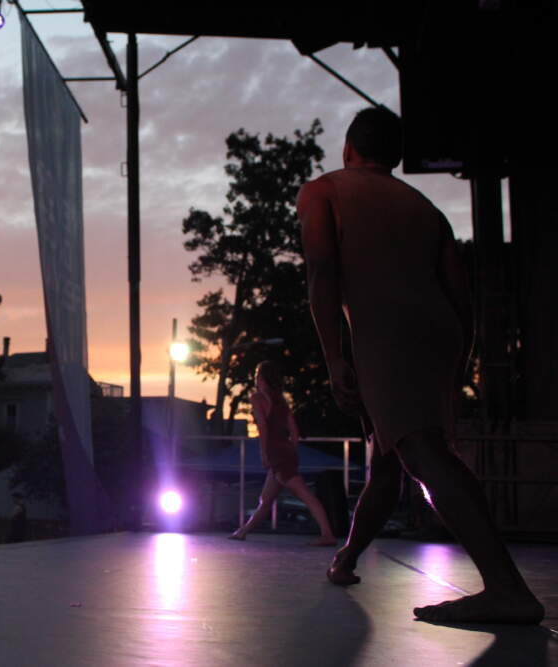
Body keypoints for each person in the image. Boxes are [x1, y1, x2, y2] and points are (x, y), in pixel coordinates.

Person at [297, 106, 544, 624]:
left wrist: (335, 357)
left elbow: (321, 271)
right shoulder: (426, 208)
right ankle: (346, 558)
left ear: (348, 149)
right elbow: (461, 296)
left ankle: (506, 589)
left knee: (425, 455)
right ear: (396, 157)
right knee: (390, 460)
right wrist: (459, 364)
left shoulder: (323, 191)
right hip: (440, 332)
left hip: (386, 331)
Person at [228, 361, 337, 546]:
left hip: (276, 453)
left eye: (257, 376)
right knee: (266, 499)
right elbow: (294, 431)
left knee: (305, 495)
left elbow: (262, 427)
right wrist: (291, 451)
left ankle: (328, 534)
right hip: (286, 451)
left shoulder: (257, 398)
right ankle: (243, 531)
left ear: (261, 378)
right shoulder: (280, 399)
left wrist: (265, 453)